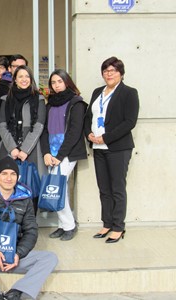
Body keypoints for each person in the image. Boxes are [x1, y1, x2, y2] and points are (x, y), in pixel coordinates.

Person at [0, 156, 58, 300]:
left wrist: (18, 254)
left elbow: (31, 232)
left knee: (50, 258)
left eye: (13, 174)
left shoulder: (25, 201)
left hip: (14, 259)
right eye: (4, 174)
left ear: (17, 176)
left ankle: (18, 292)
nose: (9, 178)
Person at [84, 57, 139, 243]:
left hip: (117, 148)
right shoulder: (97, 92)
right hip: (98, 147)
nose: (109, 73)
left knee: (117, 188)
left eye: (113, 70)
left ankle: (118, 227)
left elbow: (129, 122)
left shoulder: (129, 93)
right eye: (106, 70)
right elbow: (88, 117)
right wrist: (89, 134)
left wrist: (106, 137)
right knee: (104, 188)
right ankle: (106, 223)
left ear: (121, 74)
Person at [40, 69, 88, 241]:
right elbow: (44, 131)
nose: (56, 85)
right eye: (53, 82)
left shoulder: (77, 103)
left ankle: (69, 226)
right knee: (59, 189)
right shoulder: (50, 104)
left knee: (57, 188)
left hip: (67, 153)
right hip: (51, 153)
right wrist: (46, 153)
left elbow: (74, 133)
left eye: (59, 81)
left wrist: (59, 156)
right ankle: (63, 225)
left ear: (67, 82)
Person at [0, 65, 46, 211]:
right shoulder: (6, 99)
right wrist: (12, 148)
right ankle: (11, 222)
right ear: (15, 80)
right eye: (20, 76)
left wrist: (24, 150)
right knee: (7, 184)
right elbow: (2, 125)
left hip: (31, 148)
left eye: (27, 77)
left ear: (31, 80)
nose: (24, 79)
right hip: (9, 146)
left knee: (31, 185)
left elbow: (38, 126)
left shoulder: (39, 99)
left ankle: (30, 223)